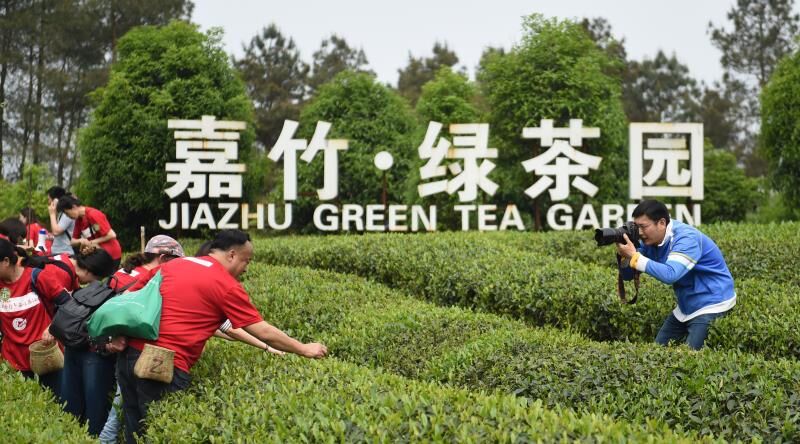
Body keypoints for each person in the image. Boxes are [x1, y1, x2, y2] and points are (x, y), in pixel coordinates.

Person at [117, 229, 327, 443]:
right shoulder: (224, 284)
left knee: (134, 429)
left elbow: (126, 298)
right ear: (232, 255)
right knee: (160, 433)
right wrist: (304, 348)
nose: (246, 269)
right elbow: (261, 330)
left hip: (128, 357)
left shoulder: (174, 265)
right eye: (247, 261)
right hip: (161, 365)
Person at [616, 199, 736, 350]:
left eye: (643, 227)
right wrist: (626, 255)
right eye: (636, 226)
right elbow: (628, 276)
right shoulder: (650, 240)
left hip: (712, 303)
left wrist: (634, 256)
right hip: (685, 307)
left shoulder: (686, 238)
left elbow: (671, 274)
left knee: (689, 360)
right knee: (656, 353)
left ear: (661, 222)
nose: (639, 232)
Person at [0, 238, 113, 396]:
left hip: (46, 358)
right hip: (12, 361)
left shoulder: (37, 277)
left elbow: (68, 306)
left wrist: (52, 328)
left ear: (5, 261)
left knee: (55, 405)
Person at [57, 246, 117, 436]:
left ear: (89, 271)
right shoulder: (113, 294)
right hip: (94, 356)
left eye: (80, 268)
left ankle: (72, 437)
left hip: (77, 351)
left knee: (72, 403)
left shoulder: (81, 293)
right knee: (95, 405)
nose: (76, 272)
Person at [57, 195, 122, 269]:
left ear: (74, 207)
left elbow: (111, 235)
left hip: (111, 255)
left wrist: (90, 242)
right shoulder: (79, 220)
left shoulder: (93, 214)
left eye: (67, 213)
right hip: (98, 254)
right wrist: (82, 241)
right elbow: (72, 241)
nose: (68, 216)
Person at [46, 187, 76, 256]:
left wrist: (52, 214)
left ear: (56, 200)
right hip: (60, 252)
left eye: (49, 199)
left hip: (65, 254)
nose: (48, 202)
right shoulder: (61, 213)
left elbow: (56, 232)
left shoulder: (67, 214)